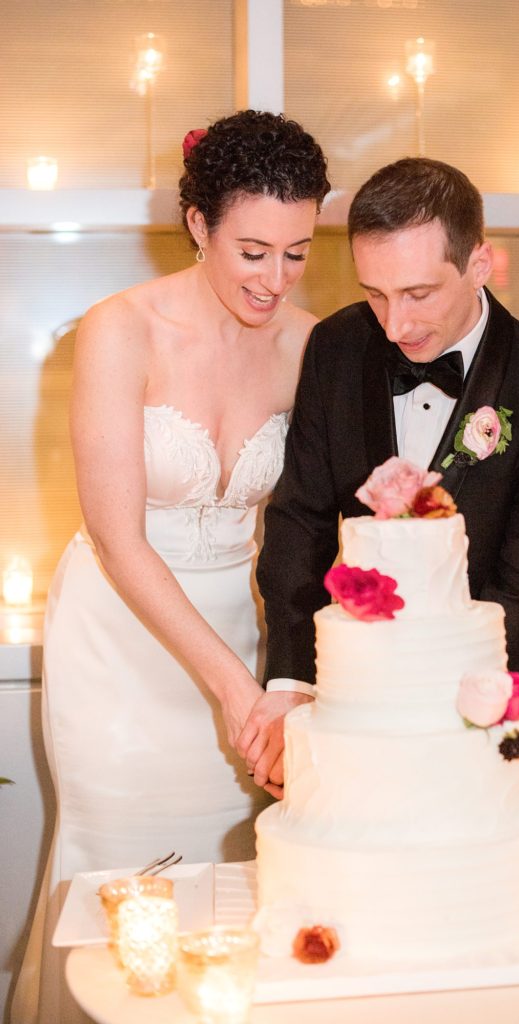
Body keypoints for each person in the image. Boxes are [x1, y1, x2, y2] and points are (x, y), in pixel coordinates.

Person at [11, 110, 330, 1024]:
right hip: (119, 636)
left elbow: (308, 531)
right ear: (199, 226)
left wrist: (284, 681)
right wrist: (237, 694)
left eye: (297, 253)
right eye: (253, 251)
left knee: (233, 882)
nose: (274, 280)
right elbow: (117, 539)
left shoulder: (312, 346)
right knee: (122, 878)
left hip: (243, 626)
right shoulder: (121, 328)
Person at [241, 157, 519, 797]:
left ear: (479, 264)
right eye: (375, 293)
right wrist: (295, 682)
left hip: (491, 713)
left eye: (418, 293)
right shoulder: (336, 346)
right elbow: (299, 520)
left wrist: (393, 691)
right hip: (349, 711)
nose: (394, 325)